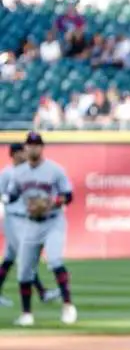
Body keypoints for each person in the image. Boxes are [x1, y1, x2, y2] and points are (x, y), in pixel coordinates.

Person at [1, 133, 77, 326]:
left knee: (54, 260)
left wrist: (52, 203)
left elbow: (68, 195)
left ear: (42, 148)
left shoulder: (55, 170)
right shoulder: (18, 173)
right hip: (30, 223)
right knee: (24, 270)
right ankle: (27, 314)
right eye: (30, 145)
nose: (33, 148)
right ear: (25, 148)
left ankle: (68, 306)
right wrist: (5, 201)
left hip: (53, 221)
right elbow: (11, 194)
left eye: (36, 145)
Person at [0, 143, 58, 307]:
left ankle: (43, 292)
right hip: (13, 219)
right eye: (20, 152)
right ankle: (43, 292)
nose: (24, 155)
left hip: (25, 219)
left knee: (10, 258)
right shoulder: (7, 173)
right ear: (13, 154)